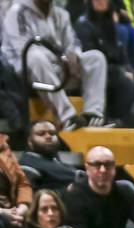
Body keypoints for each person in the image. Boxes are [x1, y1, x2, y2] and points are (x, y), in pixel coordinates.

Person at [1, 0, 112, 130]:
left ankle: (93, 115)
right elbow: (23, 50)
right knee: (36, 57)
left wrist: (73, 56)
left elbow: (72, 43)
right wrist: (60, 59)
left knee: (95, 58)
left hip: (57, 71)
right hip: (24, 76)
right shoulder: (17, 12)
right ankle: (67, 118)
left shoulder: (61, 14)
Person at [75, 0, 134, 127]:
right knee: (124, 81)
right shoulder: (83, 24)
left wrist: (129, 70)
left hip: (116, 70)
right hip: (97, 74)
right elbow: (92, 59)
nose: (100, 1)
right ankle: (119, 123)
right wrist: (122, 71)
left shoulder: (109, 23)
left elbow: (120, 51)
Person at [18, 120, 79, 191]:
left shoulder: (54, 160)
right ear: (29, 141)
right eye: (41, 133)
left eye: (52, 133)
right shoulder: (28, 164)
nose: (48, 136)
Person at [0, 132, 32, 228]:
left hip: (12, 211)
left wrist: (22, 208)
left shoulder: (3, 146)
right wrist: (2, 212)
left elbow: (23, 183)